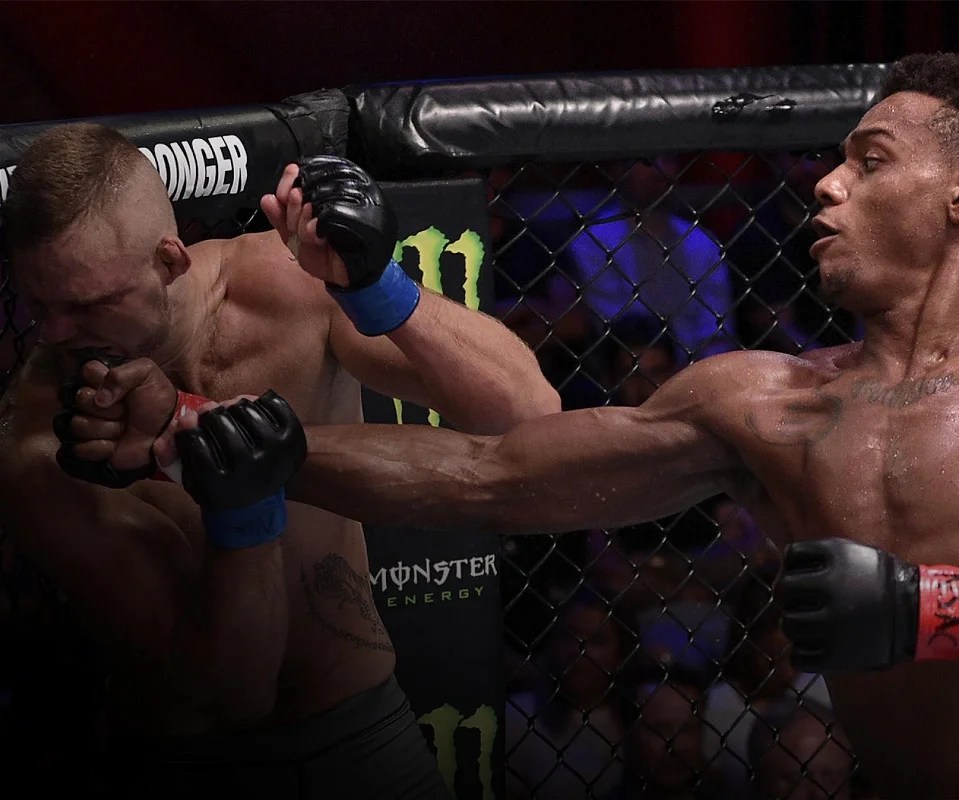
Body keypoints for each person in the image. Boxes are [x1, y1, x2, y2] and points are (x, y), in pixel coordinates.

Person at [72, 54, 959, 797]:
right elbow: (494, 473)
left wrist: (939, 607)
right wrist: (225, 438)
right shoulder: (765, 399)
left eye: (869, 162)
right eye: (833, 162)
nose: (824, 186)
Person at [0, 124, 559, 798]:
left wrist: (379, 288)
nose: (56, 332)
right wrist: (241, 505)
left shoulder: (285, 282)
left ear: (170, 262)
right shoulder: (41, 444)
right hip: (186, 764)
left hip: (369, 734)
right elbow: (236, 695)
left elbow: (528, 415)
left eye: (87, 304)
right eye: (40, 304)